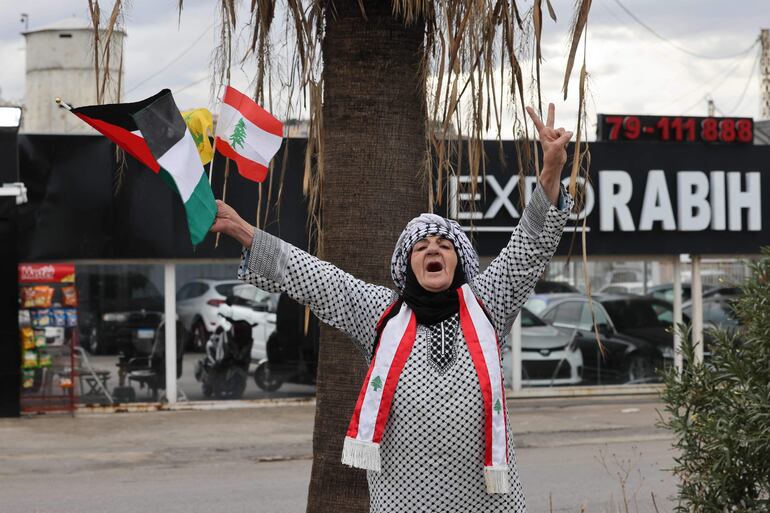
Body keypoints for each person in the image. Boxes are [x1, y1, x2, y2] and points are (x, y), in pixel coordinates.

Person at [211, 104, 574, 512]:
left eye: (443, 245)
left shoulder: (488, 301)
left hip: (488, 502)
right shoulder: (380, 312)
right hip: (403, 500)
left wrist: (550, 173)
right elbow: (317, 278)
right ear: (407, 264)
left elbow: (529, 247)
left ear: (459, 262)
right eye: (421, 246)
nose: (433, 249)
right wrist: (242, 228)